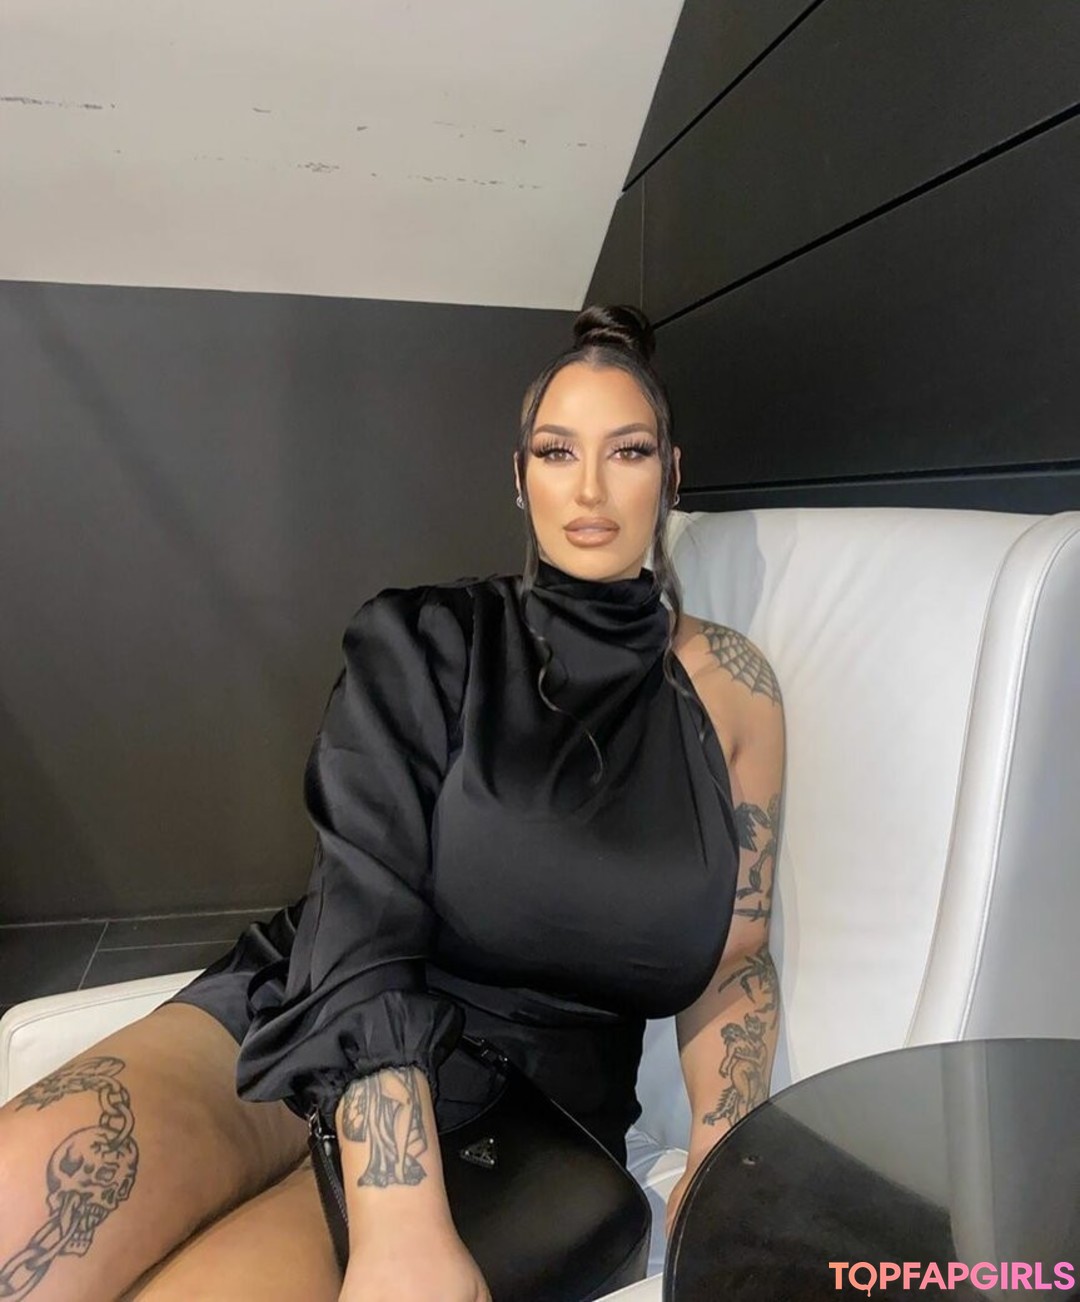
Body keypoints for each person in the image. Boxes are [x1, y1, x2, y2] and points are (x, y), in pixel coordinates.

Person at [0, 304, 785, 1302]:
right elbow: (361, 912)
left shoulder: (733, 694)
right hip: (312, 1000)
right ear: (519, 477)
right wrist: (398, 1221)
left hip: (521, 1116)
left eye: (626, 452)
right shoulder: (424, 639)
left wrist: (724, 1146)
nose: (590, 489)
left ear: (672, 475)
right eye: (557, 452)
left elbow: (735, 956)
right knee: (19, 1204)